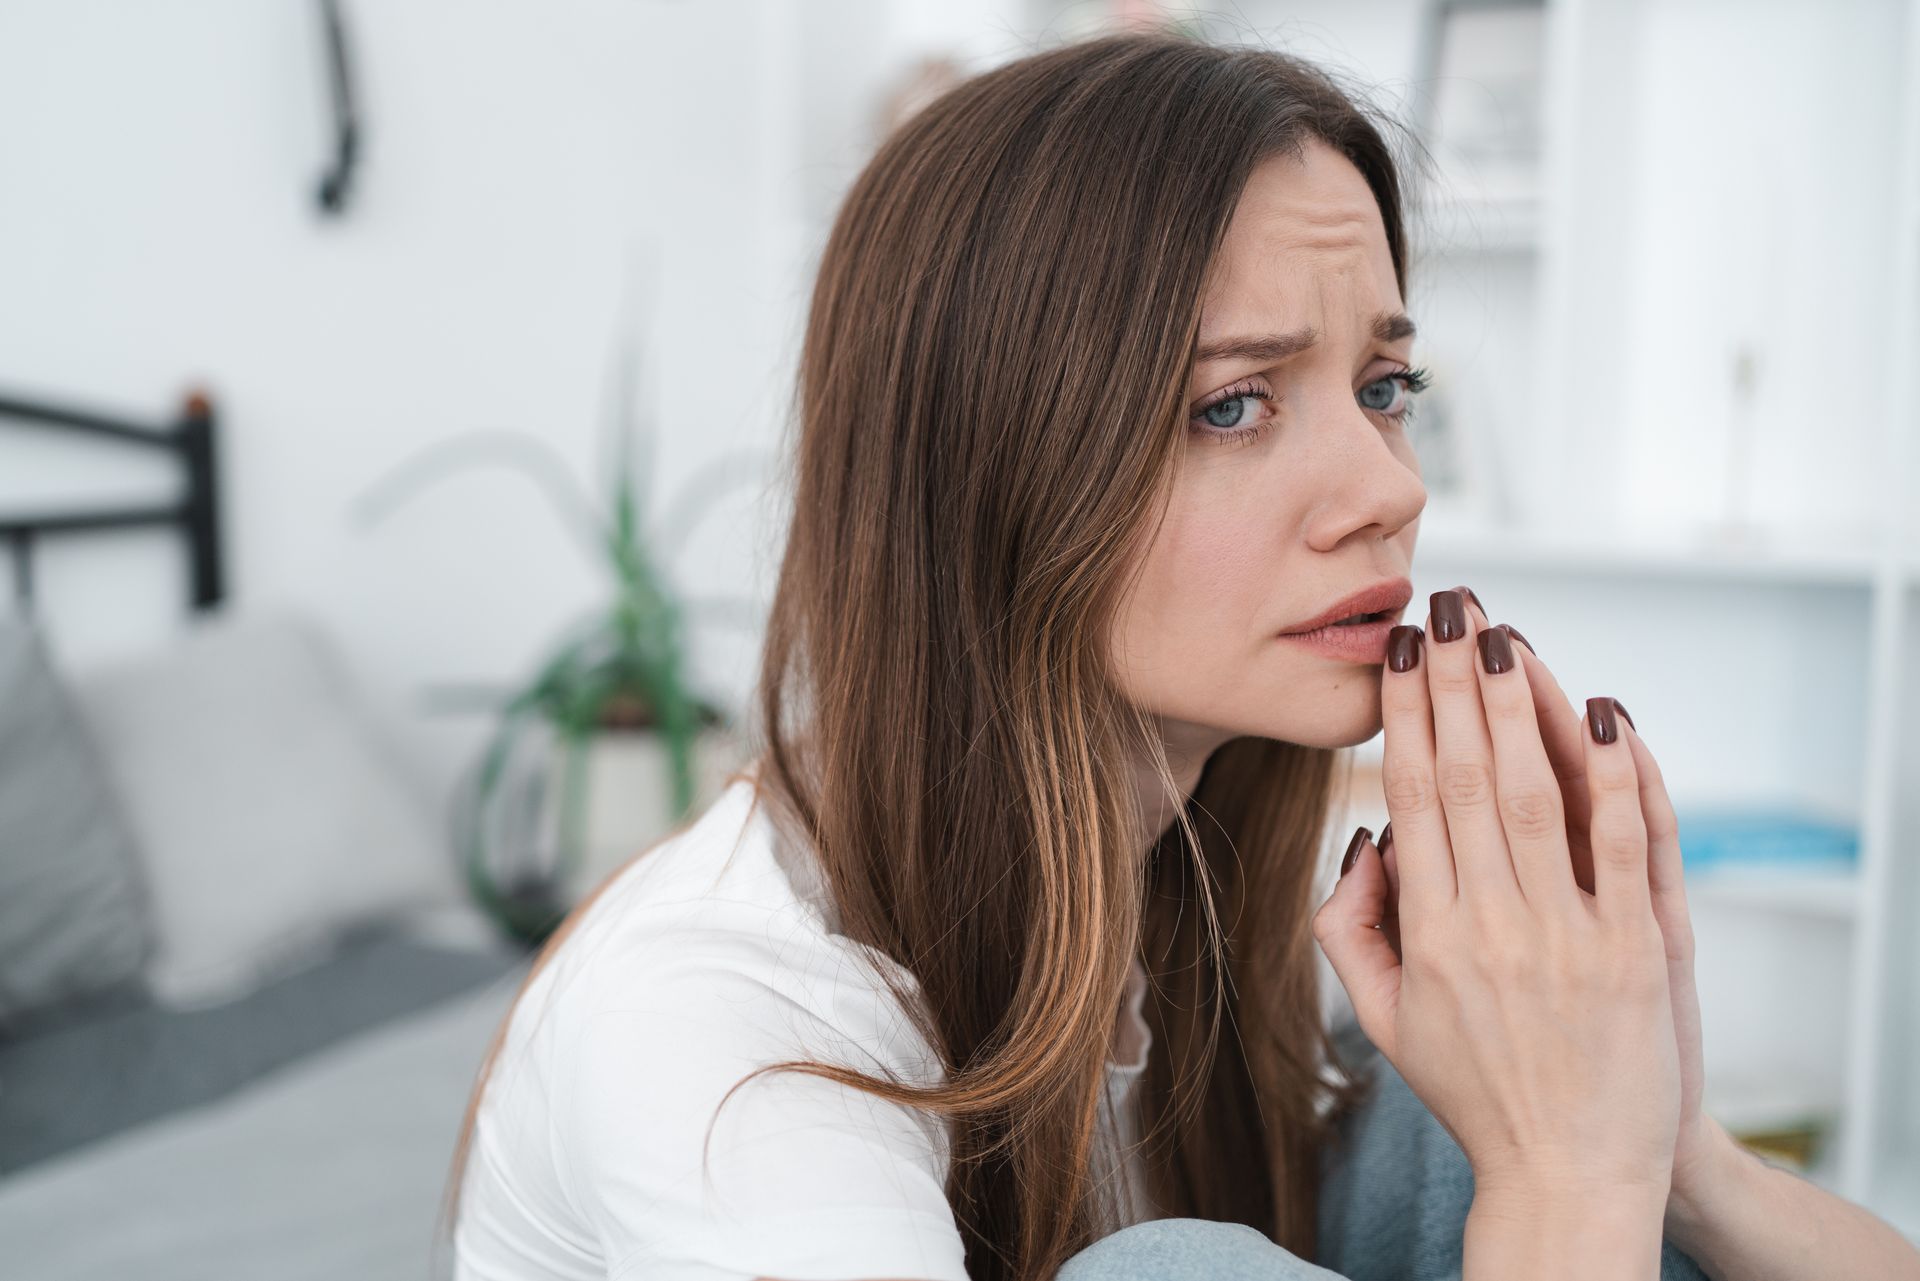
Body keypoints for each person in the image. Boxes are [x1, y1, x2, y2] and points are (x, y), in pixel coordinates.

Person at [438, 31, 1920, 1281]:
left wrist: (1658, 1143)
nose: (1392, 487)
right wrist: (1567, 1194)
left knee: (1468, 1106)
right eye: (1233, 405)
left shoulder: (1196, 879)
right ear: (990, 474)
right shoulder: (722, 1055)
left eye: (1384, 384)